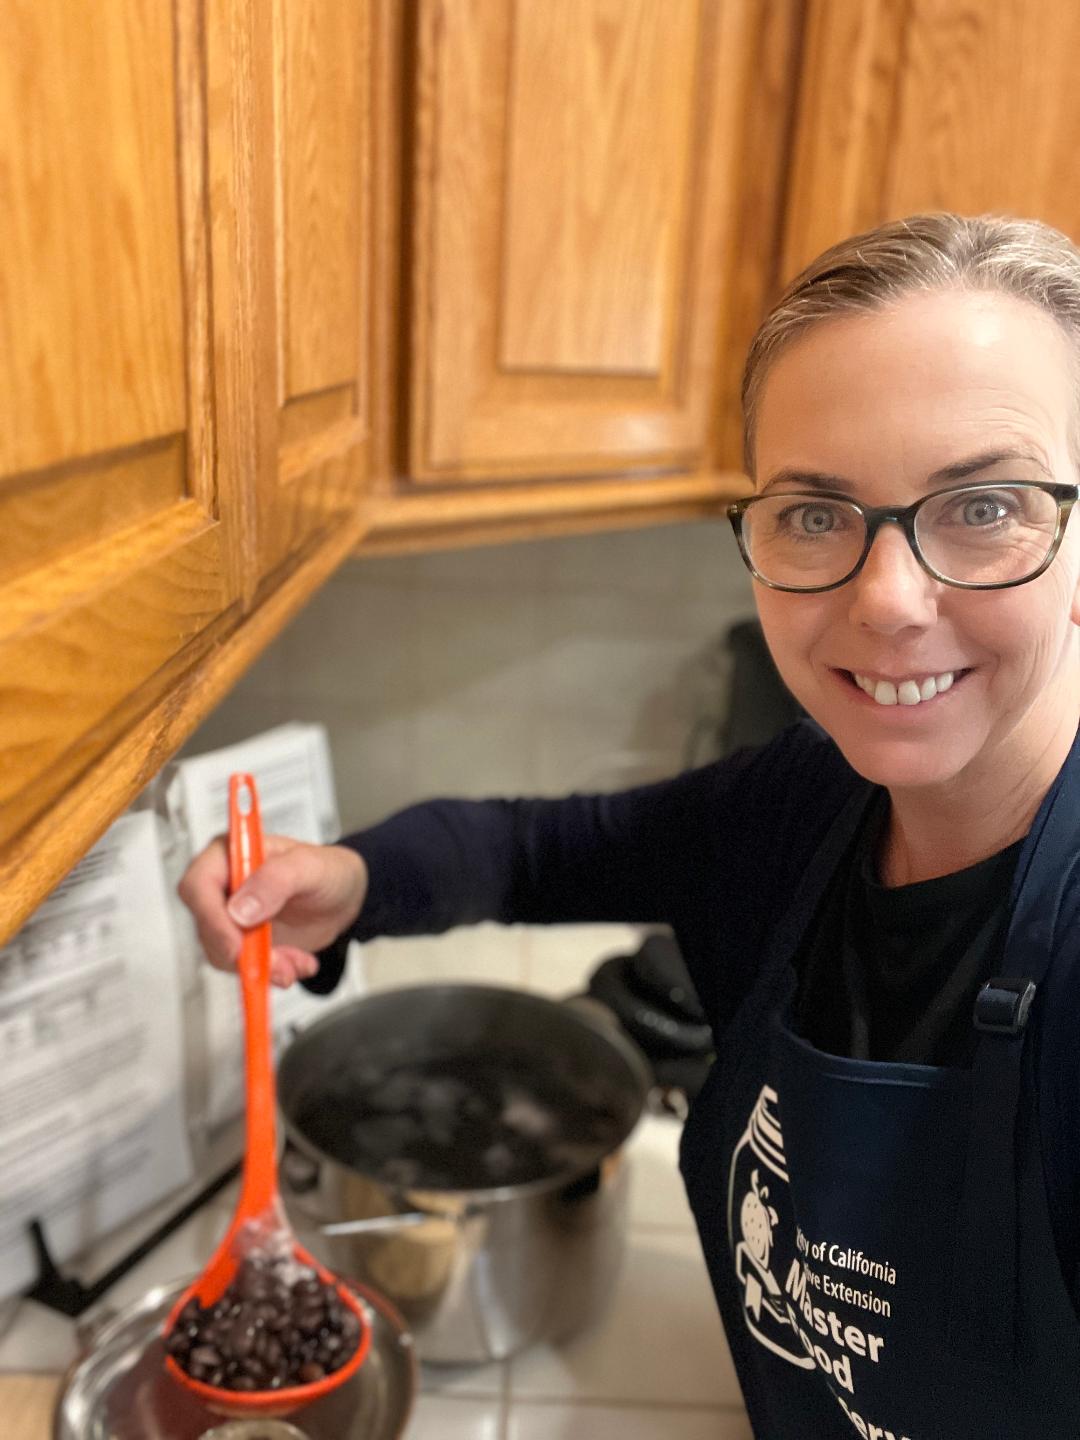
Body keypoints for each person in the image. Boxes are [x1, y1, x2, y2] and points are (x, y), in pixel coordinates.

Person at [179, 213, 1080, 1437]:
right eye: (815, 514)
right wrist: (352, 878)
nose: (888, 601)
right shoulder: (807, 805)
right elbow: (539, 847)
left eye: (984, 505)